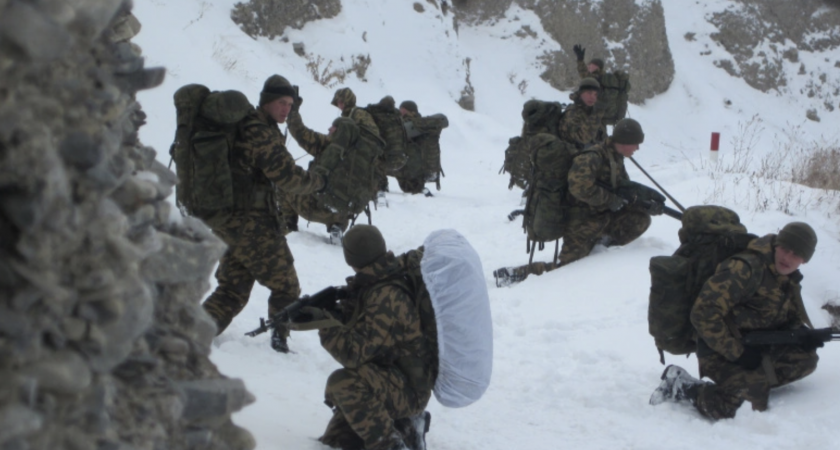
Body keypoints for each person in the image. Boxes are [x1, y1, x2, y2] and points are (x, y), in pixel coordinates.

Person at [201, 74, 326, 353]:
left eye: (290, 105)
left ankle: (191, 333)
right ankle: (279, 344)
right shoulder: (259, 130)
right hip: (252, 224)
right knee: (286, 286)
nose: (286, 109)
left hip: (231, 222)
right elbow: (286, 175)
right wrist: (318, 182)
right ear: (267, 101)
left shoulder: (251, 126)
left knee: (233, 288)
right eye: (281, 102)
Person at [652, 222, 821, 420]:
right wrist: (738, 353)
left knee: (805, 360)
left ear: (805, 260)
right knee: (741, 408)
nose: (787, 258)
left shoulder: (788, 278)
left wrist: (801, 335)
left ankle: (749, 382)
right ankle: (682, 385)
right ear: (777, 244)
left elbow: (784, 317)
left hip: (754, 345)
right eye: (785, 249)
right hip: (717, 347)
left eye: (796, 254)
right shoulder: (744, 269)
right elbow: (703, 313)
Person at [308, 225, 435, 450]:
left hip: (408, 388)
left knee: (344, 383)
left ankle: (392, 444)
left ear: (351, 259)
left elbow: (354, 354)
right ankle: (406, 424)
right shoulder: (380, 276)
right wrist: (338, 312)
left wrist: (324, 325)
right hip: (390, 374)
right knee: (338, 441)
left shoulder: (386, 296)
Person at [493, 118, 652, 286]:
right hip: (582, 222)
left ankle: (601, 247)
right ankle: (517, 274)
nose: (638, 148)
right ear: (625, 141)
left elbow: (620, 188)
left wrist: (639, 202)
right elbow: (578, 188)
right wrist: (611, 200)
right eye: (636, 143)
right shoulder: (593, 157)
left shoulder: (616, 158)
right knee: (567, 268)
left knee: (640, 219)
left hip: (603, 217)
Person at [284, 95, 352, 244]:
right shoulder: (357, 155)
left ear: (339, 132)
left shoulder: (326, 144)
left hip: (313, 208)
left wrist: (293, 110)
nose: (329, 128)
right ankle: (337, 227)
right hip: (340, 214)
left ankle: (288, 224)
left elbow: (299, 132)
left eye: (333, 127)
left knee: (283, 183)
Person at [396, 100, 448, 195]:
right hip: (425, 168)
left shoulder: (411, 125)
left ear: (411, 112)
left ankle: (380, 187)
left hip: (410, 167)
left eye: (403, 110)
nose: (400, 112)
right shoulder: (426, 124)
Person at [557, 77, 605, 149]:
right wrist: (596, 116)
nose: (593, 97)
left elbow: (602, 138)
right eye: (589, 93)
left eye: (595, 94)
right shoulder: (572, 113)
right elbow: (582, 139)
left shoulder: (591, 112)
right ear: (581, 93)